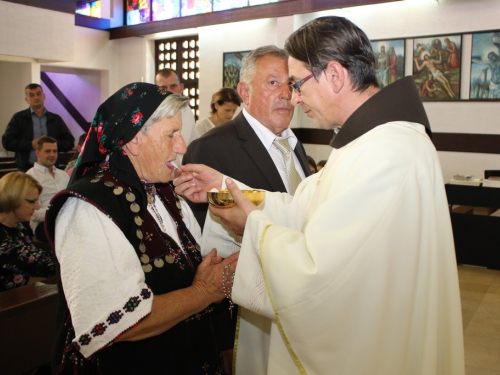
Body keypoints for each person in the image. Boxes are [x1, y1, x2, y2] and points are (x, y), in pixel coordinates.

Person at [174, 16, 465, 375]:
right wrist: (224, 188)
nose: (293, 97)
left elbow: (317, 274)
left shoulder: (387, 151)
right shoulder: (370, 142)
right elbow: (305, 204)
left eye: (296, 83)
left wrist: (253, 224)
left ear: (335, 75)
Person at [44, 83, 238, 374]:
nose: (182, 146)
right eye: (171, 134)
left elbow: (198, 259)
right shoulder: (87, 209)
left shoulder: (166, 193)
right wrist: (205, 291)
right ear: (133, 140)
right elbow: (117, 323)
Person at [182, 45, 311, 374]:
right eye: (272, 83)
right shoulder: (211, 147)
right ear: (244, 91)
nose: (286, 94)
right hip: (247, 316)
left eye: (292, 84)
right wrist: (223, 338)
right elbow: (206, 250)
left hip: (298, 302)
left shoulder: (294, 145)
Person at [0, 172, 55, 291]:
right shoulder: (3, 238)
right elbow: (41, 265)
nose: (37, 207)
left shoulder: (18, 226)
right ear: (13, 198)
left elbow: (35, 255)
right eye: (32, 201)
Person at [2, 83, 75, 172]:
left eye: (38, 94)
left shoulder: (55, 119)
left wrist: (52, 145)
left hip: (51, 169)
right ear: (26, 99)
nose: (36, 97)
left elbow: (69, 142)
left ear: (43, 96)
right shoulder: (19, 118)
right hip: (26, 169)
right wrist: (31, 144)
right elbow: (7, 142)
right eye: (31, 95)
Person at [26, 136, 69, 242]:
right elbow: (33, 214)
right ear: (37, 153)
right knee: (68, 234)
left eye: (55, 151)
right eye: (47, 151)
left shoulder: (63, 175)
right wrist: (57, 212)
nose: (52, 155)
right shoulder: (30, 177)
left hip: (67, 219)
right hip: (43, 224)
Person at [155, 68, 200, 153]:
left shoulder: (187, 111)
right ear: (156, 89)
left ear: (181, 87)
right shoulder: (150, 114)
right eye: (163, 88)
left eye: (173, 86)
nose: (168, 91)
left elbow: (194, 143)